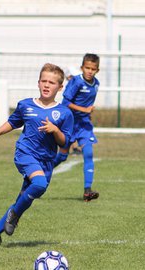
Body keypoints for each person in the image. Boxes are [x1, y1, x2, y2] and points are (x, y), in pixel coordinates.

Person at [0, 63, 74, 245]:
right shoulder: (25, 105)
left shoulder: (65, 113)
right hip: (25, 154)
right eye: (44, 81)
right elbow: (13, 122)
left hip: (46, 160)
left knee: (25, 197)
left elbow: (65, 142)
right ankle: (14, 215)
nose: (47, 85)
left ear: (60, 87)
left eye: (52, 82)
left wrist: (55, 130)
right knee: (39, 184)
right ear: (38, 83)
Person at [53, 54, 101, 201]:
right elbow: (65, 102)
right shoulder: (76, 82)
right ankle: (40, 172)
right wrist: (84, 110)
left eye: (93, 69)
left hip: (84, 125)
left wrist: (87, 114)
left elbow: (87, 103)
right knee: (62, 156)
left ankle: (87, 191)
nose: (90, 71)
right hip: (69, 123)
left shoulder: (96, 83)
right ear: (82, 68)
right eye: (87, 68)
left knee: (88, 153)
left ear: (97, 70)